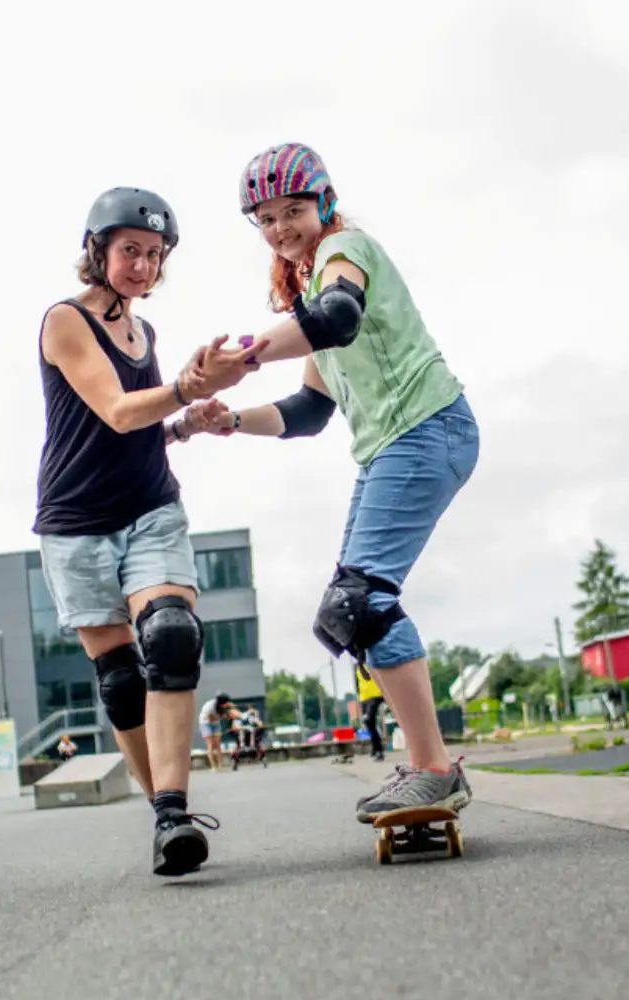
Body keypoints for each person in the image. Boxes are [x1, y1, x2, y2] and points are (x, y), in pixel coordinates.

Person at [195, 142, 480, 822]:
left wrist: (243, 356)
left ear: (324, 203)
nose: (280, 228)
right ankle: (428, 766)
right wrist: (229, 419)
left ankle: (434, 770)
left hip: (426, 429)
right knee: (345, 611)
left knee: (364, 601)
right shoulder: (309, 293)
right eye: (266, 219)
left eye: (293, 211)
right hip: (390, 448)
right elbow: (309, 411)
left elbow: (339, 315)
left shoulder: (342, 250)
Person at [32, 186, 264, 876]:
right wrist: (188, 388)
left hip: (150, 508)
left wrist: (184, 423)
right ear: (97, 249)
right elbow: (116, 412)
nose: (142, 265)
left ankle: (173, 811)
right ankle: (161, 815)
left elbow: (141, 429)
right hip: (76, 523)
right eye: (130, 250)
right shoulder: (65, 321)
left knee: (170, 634)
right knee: (121, 682)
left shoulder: (146, 333)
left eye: (155, 254)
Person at [198, 692, 237, 771]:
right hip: (205, 723)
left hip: (216, 723)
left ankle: (220, 766)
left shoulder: (224, 705)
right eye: (225, 702)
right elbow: (211, 719)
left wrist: (231, 710)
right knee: (210, 744)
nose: (227, 704)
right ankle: (213, 766)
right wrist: (226, 716)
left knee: (217, 744)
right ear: (221, 702)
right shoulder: (210, 707)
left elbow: (227, 713)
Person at [356, 663, 386, 762]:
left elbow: (369, 676)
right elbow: (358, 683)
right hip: (364, 697)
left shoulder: (371, 660)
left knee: (369, 719)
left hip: (376, 694)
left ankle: (379, 751)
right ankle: (376, 747)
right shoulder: (357, 665)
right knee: (368, 723)